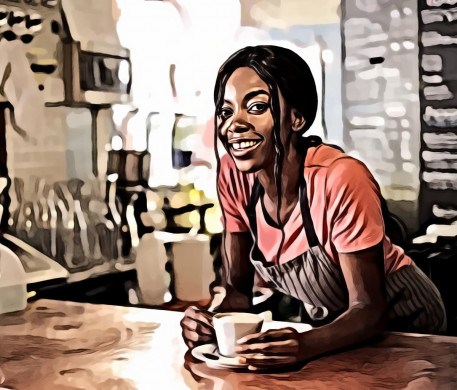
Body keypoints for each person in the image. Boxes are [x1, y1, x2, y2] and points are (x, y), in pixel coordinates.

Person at [180, 45, 446, 371]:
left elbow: (368, 309)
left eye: (256, 107)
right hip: (338, 332)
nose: (235, 124)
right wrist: (210, 318)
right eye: (226, 111)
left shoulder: (339, 178)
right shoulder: (233, 177)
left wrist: (305, 344)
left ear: (297, 117)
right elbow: (237, 292)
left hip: (405, 324)